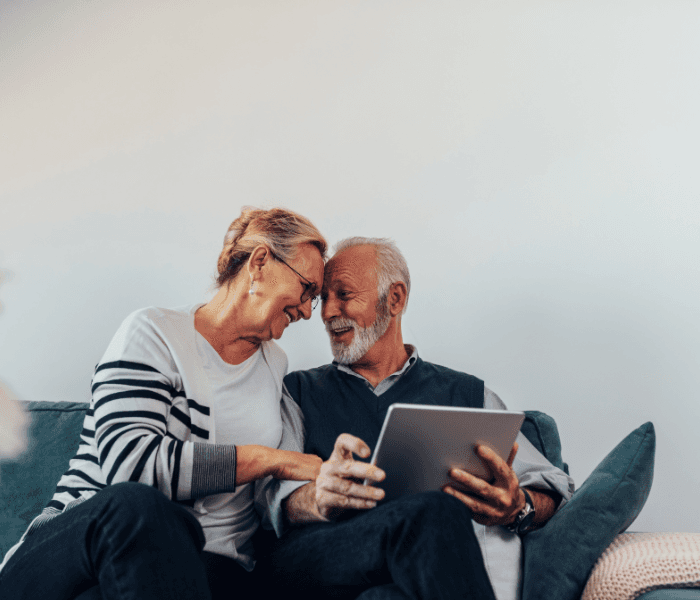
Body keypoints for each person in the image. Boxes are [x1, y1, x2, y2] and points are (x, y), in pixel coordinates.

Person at [0, 207, 329, 600]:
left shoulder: (275, 367)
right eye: (306, 289)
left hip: (206, 571)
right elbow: (132, 467)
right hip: (82, 553)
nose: (309, 311)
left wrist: (325, 482)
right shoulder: (154, 333)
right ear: (260, 263)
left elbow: (278, 494)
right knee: (138, 507)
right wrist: (272, 459)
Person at [258, 237, 575, 600]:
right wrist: (317, 497)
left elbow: (553, 486)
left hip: (419, 570)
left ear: (395, 299)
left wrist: (518, 507)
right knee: (434, 512)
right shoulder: (296, 391)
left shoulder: (470, 395)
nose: (328, 312)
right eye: (322, 298)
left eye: (343, 295)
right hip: (322, 558)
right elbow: (269, 498)